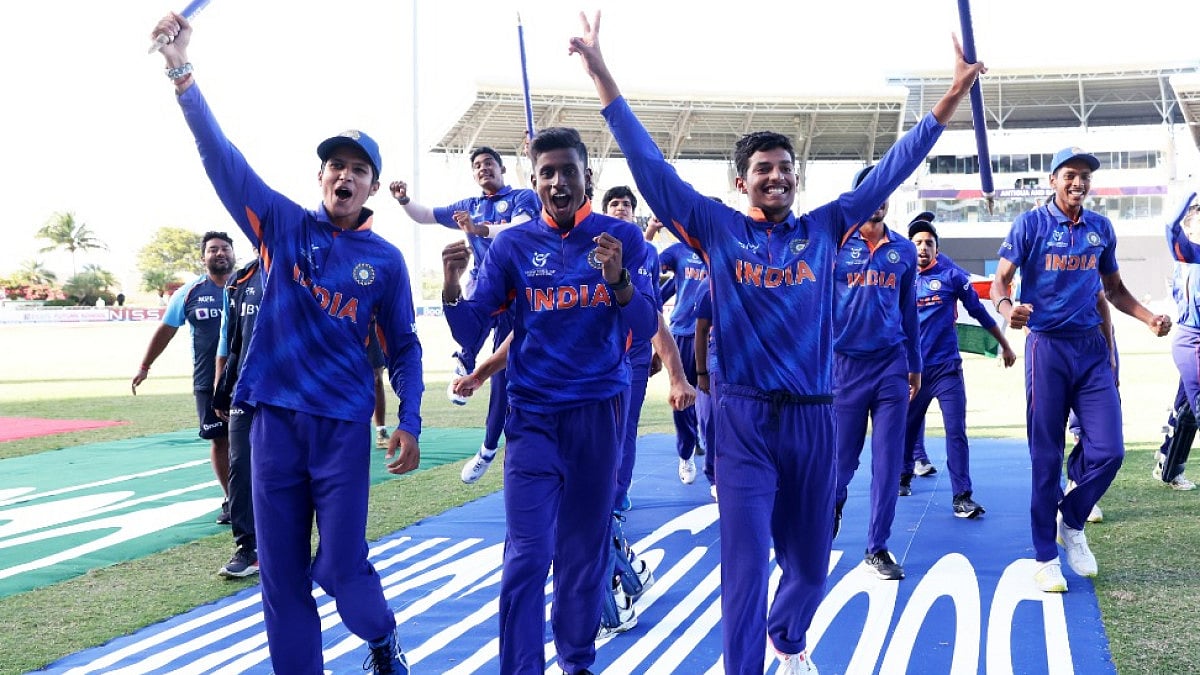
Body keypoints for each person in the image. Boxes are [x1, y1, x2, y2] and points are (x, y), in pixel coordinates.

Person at [571, 11, 984, 673]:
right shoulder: (717, 227)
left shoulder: (825, 229)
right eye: (762, 168)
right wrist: (599, 72)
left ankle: (788, 642)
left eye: (784, 168)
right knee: (742, 574)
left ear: (797, 178)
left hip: (815, 417)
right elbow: (650, 168)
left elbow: (889, 172)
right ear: (742, 181)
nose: (775, 176)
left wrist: (951, 96)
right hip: (743, 420)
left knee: (811, 566)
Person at [149, 12, 424, 674]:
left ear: (369, 185)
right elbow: (222, 158)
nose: (344, 175)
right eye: (335, 164)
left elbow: (406, 348)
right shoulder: (280, 223)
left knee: (337, 564)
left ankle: (381, 636)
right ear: (322, 175)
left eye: (359, 168)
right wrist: (181, 72)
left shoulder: (383, 261)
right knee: (280, 580)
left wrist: (410, 419)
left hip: (339, 429)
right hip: (268, 419)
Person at [441, 126, 657, 674]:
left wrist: (619, 280)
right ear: (534, 181)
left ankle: (576, 662)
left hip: (598, 413)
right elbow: (472, 330)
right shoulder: (513, 244)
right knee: (528, 557)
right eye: (547, 173)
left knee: (583, 556)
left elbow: (645, 322)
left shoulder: (621, 239)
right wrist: (451, 285)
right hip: (533, 419)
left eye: (568, 170)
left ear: (589, 175)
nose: (558, 181)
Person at [990, 146, 1171, 594]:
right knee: (1045, 457)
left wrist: (1148, 318)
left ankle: (1071, 521)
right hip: (1046, 348)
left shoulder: (1100, 228)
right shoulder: (1029, 225)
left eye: (1085, 176)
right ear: (1053, 180)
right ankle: (1045, 556)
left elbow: (1113, 289)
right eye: (1070, 174)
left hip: (1091, 350)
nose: (1079, 183)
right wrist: (1008, 309)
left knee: (1110, 451)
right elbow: (1000, 281)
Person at [390, 148, 540, 486]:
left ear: (502, 168)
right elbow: (426, 215)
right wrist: (404, 201)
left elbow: (521, 228)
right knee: (468, 319)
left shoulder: (521, 197)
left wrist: (479, 229)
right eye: (477, 166)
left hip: (523, 289)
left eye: (489, 163)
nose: (483, 169)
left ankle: (490, 448)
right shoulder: (469, 205)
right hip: (486, 286)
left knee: (506, 379)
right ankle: (465, 360)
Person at [831, 166, 922, 582]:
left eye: (886, 191)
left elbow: (909, 314)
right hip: (844, 368)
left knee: (887, 464)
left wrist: (915, 365)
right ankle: (831, 503)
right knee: (841, 463)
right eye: (871, 190)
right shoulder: (833, 244)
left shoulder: (902, 251)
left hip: (890, 366)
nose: (879, 198)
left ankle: (877, 547)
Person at [900, 213, 1017, 518]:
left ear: (937, 249)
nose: (923, 247)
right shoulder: (899, 280)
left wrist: (1004, 345)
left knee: (956, 432)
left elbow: (979, 312)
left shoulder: (951, 277)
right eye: (917, 243)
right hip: (913, 373)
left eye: (929, 243)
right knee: (907, 428)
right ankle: (903, 475)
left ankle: (962, 496)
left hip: (948, 370)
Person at [132, 230, 234, 525]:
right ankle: (232, 499)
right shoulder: (189, 293)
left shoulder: (248, 285)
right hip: (207, 381)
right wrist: (145, 366)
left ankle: (256, 497)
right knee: (219, 440)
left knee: (254, 440)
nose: (219, 253)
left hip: (250, 378)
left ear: (233, 254)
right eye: (213, 249)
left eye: (224, 248)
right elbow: (166, 330)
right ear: (203, 257)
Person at [212, 256, 263, 579]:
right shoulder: (243, 278)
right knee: (241, 466)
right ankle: (247, 548)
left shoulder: (307, 267)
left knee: (294, 473)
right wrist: (224, 386)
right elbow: (236, 341)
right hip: (246, 390)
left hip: (294, 392)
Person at [657, 234, 709, 484]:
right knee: (683, 397)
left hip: (718, 337)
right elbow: (648, 267)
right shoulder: (679, 251)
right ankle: (686, 454)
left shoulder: (725, 250)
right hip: (684, 335)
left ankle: (716, 470)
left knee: (715, 403)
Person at [1162, 192, 1200, 489]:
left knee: (1185, 411)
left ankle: (1168, 466)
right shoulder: (1189, 253)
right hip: (1192, 341)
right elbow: (1170, 226)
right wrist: (1190, 193)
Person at [694, 282, 719, 500]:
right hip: (718, 363)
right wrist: (701, 372)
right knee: (710, 421)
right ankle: (713, 476)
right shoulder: (710, 285)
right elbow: (701, 329)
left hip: (749, 364)